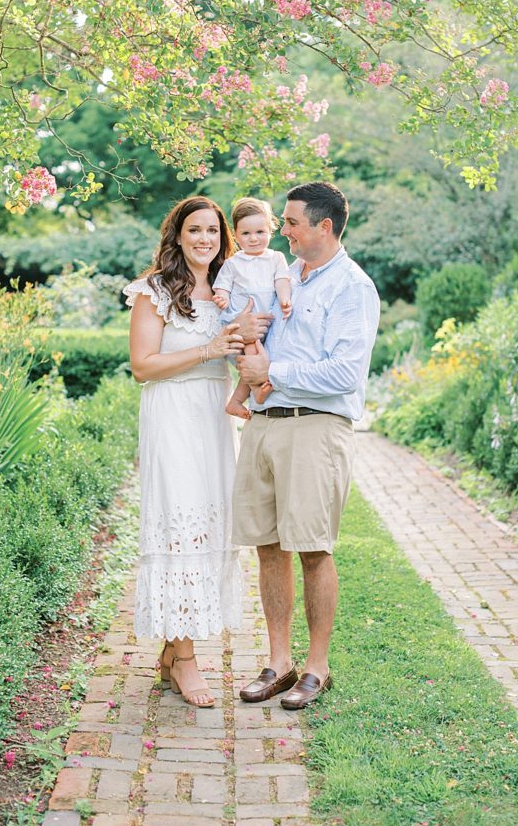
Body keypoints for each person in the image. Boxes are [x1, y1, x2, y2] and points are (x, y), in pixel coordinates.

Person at [232, 181, 380, 710]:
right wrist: (245, 350)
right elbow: (258, 346)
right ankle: (279, 662)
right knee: (268, 546)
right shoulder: (284, 276)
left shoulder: (352, 288)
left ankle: (316, 667)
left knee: (313, 549)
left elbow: (345, 373)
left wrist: (273, 369)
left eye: (291, 222)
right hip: (265, 423)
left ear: (324, 226)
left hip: (317, 428)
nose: (282, 230)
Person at [124, 196, 246, 708]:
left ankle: (174, 654)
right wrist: (207, 349)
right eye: (194, 230)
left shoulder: (229, 291)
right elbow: (143, 366)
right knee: (179, 524)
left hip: (213, 417)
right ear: (177, 236)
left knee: (209, 526)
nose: (204, 240)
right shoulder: (154, 290)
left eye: (213, 232)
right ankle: (188, 659)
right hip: (172, 413)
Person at [212, 197, 292, 420]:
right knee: (251, 351)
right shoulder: (233, 263)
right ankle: (256, 391)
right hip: (243, 319)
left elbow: (282, 281)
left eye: (260, 232)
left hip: (268, 321)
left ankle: (236, 401)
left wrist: (285, 299)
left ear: (270, 231)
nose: (254, 238)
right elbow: (222, 286)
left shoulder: (276, 258)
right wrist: (221, 298)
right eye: (246, 234)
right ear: (236, 235)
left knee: (262, 355)